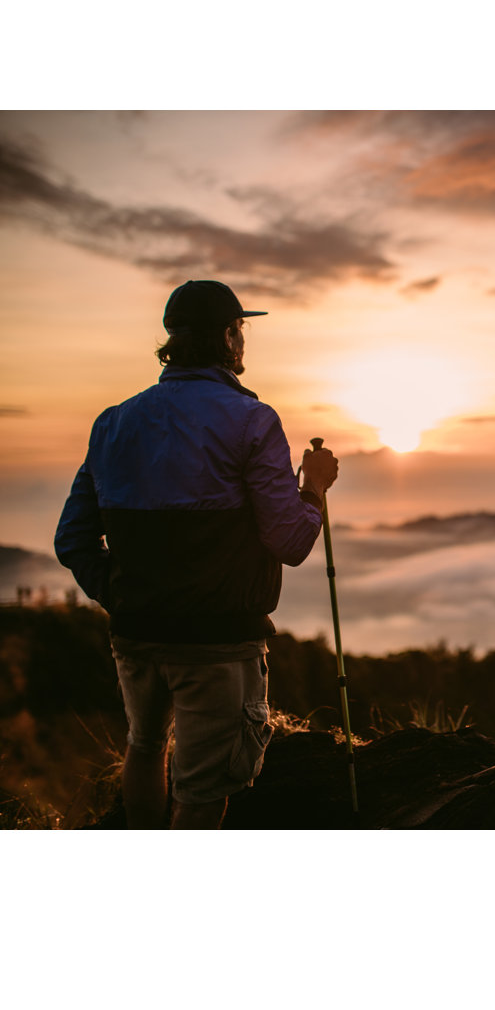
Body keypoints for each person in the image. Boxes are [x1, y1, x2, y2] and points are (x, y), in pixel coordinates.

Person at [55, 279, 339, 829]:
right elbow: (291, 542)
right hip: (217, 644)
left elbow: (73, 539)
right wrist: (315, 489)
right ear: (230, 338)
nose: (243, 341)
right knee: (203, 789)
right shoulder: (253, 421)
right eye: (241, 330)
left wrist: (119, 594)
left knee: (143, 749)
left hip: (136, 634)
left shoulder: (114, 421)